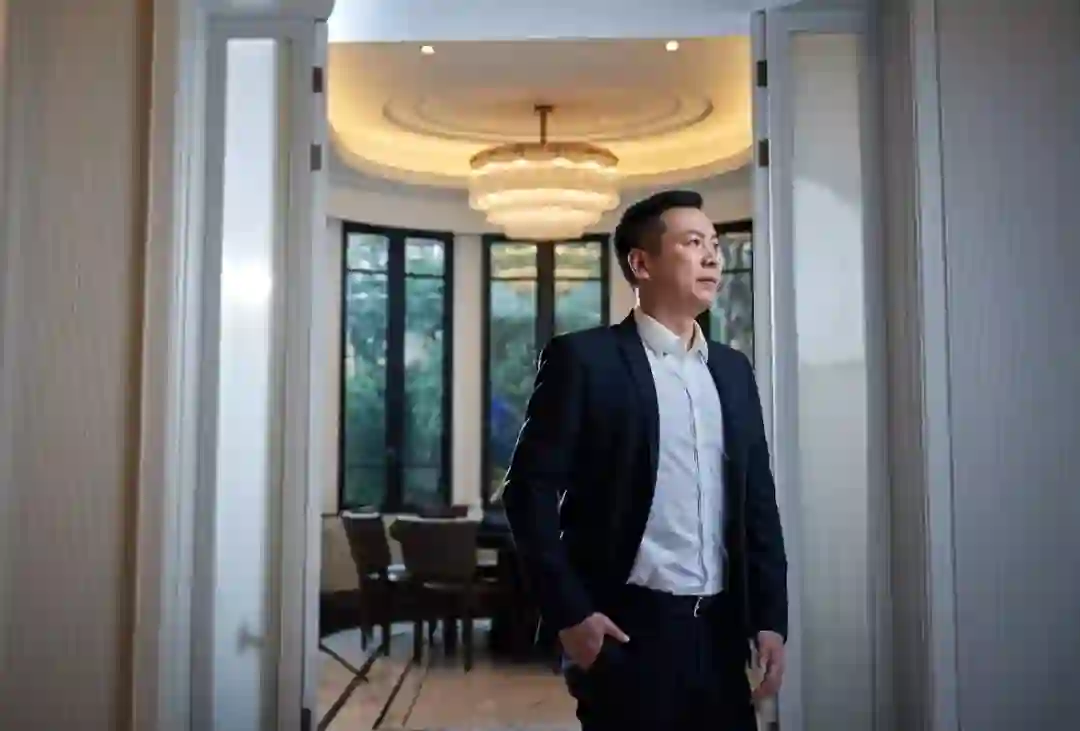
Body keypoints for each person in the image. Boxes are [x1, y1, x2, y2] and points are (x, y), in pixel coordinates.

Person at [499, 190, 788, 730]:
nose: (713, 256)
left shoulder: (733, 371)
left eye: (715, 244)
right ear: (642, 263)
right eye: (693, 242)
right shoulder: (585, 360)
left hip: (723, 635)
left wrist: (771, 617)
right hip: (628, 633)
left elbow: (758, 503)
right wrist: (572, 616)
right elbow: (526, 492)